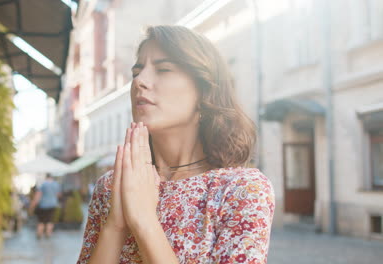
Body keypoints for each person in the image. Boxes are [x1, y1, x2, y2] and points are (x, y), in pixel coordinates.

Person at [77, 25, 275, 264]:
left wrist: (143, 220)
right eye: (136, 72)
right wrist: (115, 227)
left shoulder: (240, 190)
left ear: (204, 91)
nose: (140, 81)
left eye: (163, 69)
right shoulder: (111, 186)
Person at [29, 174, 61, 239]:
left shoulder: (43, 184)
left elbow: (38, 195)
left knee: (41, 221)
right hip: (53, 204)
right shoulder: (56, 184)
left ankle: (39, 234)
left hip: (43, 205)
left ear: (46, 177)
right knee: (50, 220)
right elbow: (58, 195)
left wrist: (32, 205)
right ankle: (48, 234)